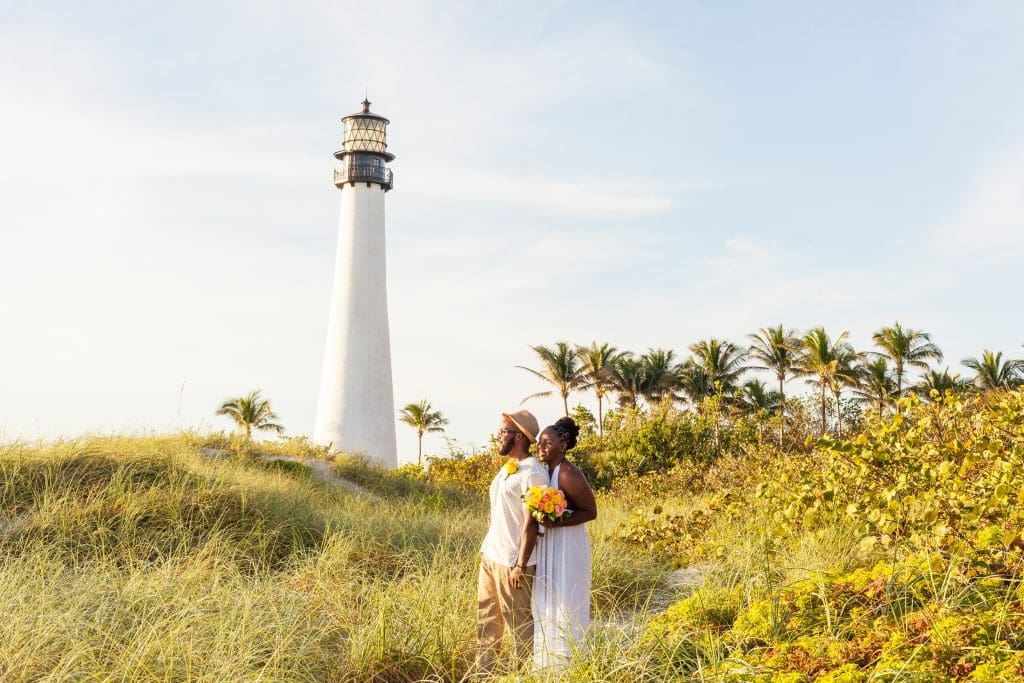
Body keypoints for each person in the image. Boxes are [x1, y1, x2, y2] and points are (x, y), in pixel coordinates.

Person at [474, 409, 550, 673]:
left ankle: (522, 674)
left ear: (518, 436)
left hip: (512, 561)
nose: (498, 437)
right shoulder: (509, 468)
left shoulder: (533, 473)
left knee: (518, 622)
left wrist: (521, 563)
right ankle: (484, 673)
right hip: (492, 554)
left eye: (502, 432)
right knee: (487, 618)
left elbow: (532, 522)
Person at [532, 416, 597, 669]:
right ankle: (548, 660)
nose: (541, 447)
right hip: (550, 543)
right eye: (539, 443)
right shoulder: (544, 471)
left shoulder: (568, 472)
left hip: (567, 544)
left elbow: (590, 512)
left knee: (566, 598)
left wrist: (557, 522)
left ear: (563, 444)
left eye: (547, 442)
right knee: (548, 597)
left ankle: (569, 661)